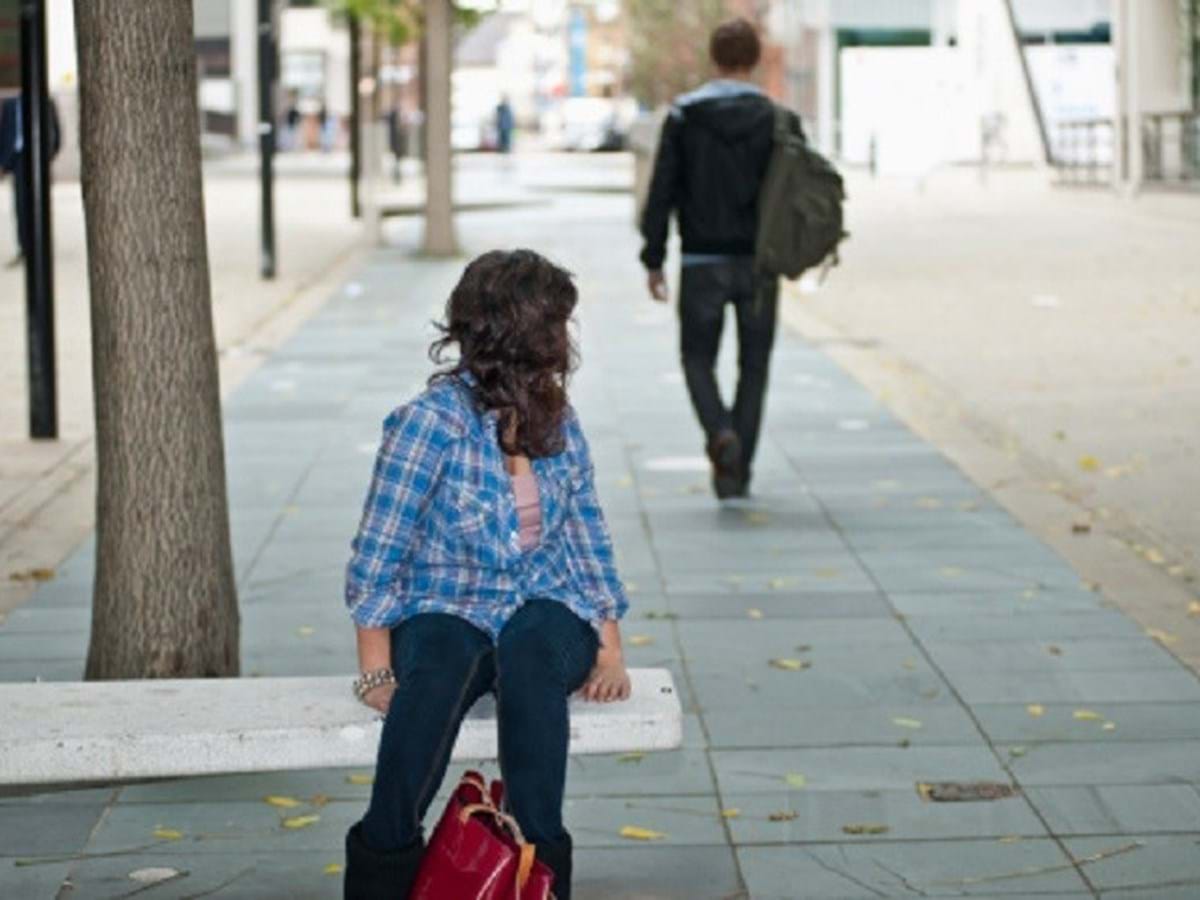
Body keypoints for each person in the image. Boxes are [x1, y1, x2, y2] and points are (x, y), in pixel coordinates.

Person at [342, 249, 632, 900]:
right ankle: (387, 852)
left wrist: (611, 647)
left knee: (530, 646)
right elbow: (380, 549)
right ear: (519, 337)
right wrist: (375, 665)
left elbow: (587, 529)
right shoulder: (429, 424)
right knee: (446, 654)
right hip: (447, 603)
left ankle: (537, 871)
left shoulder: (556, 418)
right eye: (554, 325)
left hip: (545, 603)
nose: (565, 340)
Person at [639, 18, 805, 499]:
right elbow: (797, 190)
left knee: (696, 357)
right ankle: (737, 475)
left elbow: (661, 192)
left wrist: (653, 258)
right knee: (754, 366)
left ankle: (719, 432)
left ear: (714, 58)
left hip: (699, 263)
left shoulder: (685, 117)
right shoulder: (777, 119)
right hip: (759, 265)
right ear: (754, 60)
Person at [0, 94, 61, 268]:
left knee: (41, 203)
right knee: (20, 206)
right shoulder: (10, 104)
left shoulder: (46, 101)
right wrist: (3, 163)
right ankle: (24, 249)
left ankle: (41, 248)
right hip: (17, 159)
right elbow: (4, 133)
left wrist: (49, 155)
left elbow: (55, 131)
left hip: (39, 158)